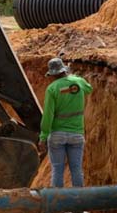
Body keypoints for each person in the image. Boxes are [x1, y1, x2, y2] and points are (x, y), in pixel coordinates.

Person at [38, 57, 92, 188]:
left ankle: (58, 205)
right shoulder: (78, 82)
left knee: (57, 170)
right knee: (76, 170)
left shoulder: (52, 88)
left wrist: (43, 137)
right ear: (64, 71)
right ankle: (78, 205)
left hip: (57, 135)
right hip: (76, 135)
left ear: (52, 74)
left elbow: (48, 115)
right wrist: (73, 78)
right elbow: (89, 89)